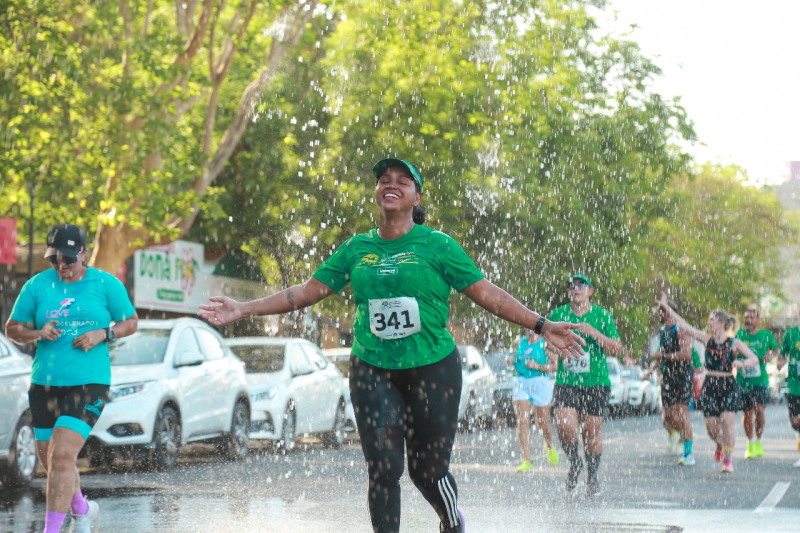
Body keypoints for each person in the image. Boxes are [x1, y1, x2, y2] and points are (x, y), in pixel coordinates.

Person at [198, 158, 586, 533]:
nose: (391, 184)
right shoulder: (356, 249)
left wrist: (542, 323)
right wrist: (243, 309)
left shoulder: (438, 246)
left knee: (427, 472)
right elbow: (304, 292)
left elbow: (487, 294)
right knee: (383, 468)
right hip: (373, 369)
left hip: (433, 369)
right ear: (375, 193)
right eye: (384, 179)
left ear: (417, 197)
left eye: (403, 180)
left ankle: (451, 521)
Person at [5, 223, 138, 533]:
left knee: (63, 454)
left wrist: (102, 333)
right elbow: (13, 328)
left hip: (89, 383)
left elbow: (130, 322)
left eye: (68, 259)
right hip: (45, 383)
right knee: (50, 460)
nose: (61, 266)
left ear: (84, 254)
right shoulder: (37, 286)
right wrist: (38, 332)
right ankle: (82, 509)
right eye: (55, 260)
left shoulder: (106, 284)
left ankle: (51, 530)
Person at [657, 294, 757, 473]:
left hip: (728, 384)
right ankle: (720, 443)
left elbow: (754, 359)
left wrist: (741, 363)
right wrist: (666, 307)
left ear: (720, 323)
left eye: (711, 320)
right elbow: (684, 324)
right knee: (711, 427)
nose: (709, 323)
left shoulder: (735, 343)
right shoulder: (706, 339)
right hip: (710, 384)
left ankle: (728, 460)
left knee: (727, 422)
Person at [547, 273, 622, 497]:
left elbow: (617, 349)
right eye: (572, 285)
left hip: (596, 382)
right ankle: (574, 462)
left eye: (582, 285)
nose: (576, 288)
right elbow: (547, 344)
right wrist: (559, 351)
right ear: (569, 292)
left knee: (591, 433)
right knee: (565, 427)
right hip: (567, 381)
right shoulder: (559, 314)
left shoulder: (602, 316)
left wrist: (594, 333)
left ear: (590, 291)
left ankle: (592, 474)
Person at [506, 328, 559, 472]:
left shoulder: (545, 343)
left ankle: (548, 446)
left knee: (542, 422)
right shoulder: (518, 342)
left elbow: (556, 366)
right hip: (521, 382)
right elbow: (513, 358)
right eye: (525, 326)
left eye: (531, 326)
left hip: (540, 383)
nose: (528, 329)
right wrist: (509, 360)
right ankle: (526, 460)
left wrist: (538, 366)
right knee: (522, 421)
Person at [651, 300, 696, 466]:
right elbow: (663, 354)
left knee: (682, 411)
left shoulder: (681, 329)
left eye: (662, 311)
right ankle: (684, 435)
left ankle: (688, 451)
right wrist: (653, 369)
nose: (659, 314)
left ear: (669, 312)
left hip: (683, 373)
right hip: (668, 373)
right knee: (668, 415)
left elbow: (686, 355)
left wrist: (662, 357)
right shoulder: (663, 332)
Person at [734, 305, 779, 459]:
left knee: (759, 409)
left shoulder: (765, 335)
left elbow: (775, 350)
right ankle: (750, 442)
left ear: (758, 320)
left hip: (760, 379)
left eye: (752, 317)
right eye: (746, 317)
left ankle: (759, 441)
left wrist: (771, 356)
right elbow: (732, 352)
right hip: (743, 380)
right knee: (747, 412)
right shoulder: (739, 334)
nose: (749, 320)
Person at [777, 308, 800, 457]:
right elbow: (782, 354)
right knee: (794, 421)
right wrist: (780, 362)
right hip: (793, 383)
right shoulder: (790, 334)